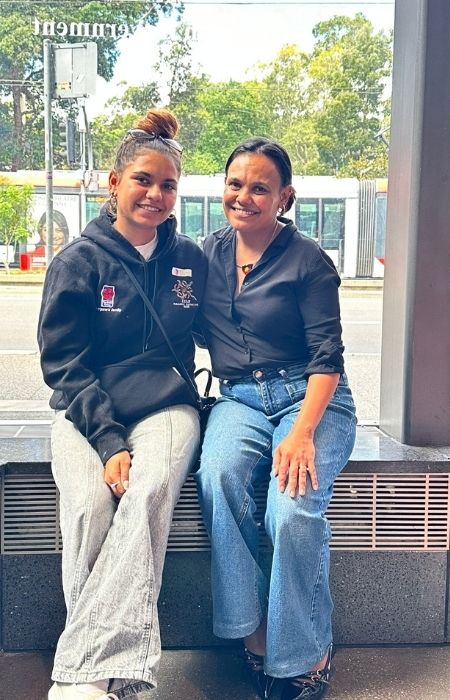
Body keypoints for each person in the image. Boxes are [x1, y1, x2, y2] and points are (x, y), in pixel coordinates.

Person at [39, 109, 205, 699]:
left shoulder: (189, 259)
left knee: (151, 489)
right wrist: (108, 443)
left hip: (167, 408)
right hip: (86, 410)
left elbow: (228, 329)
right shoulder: (77, 262)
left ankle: (83, 673)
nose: (155, 195)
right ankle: (120, 674)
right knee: (87, 507)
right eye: (143, 180)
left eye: (167, 185)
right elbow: (62, 365)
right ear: (114, 184)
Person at [195, 138, 356, 700]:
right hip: (238, 399)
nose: (244, 197)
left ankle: (306, 653)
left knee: (290, 513)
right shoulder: (205, 255)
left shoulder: (308, 260)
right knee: (217, 476)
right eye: (235, 184)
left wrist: (302, 432)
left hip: (309, 399)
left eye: (260, 187)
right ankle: (254, 632)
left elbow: (327, 358)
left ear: (284, 197)